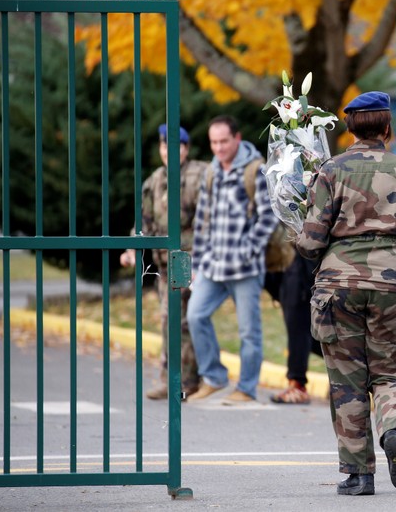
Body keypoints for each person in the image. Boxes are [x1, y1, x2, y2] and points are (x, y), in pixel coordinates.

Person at [296, 91, 396, 496]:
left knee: (347, 380)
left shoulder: (331, 171)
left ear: (350, 128)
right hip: (394, 282)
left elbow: (310, 240)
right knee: (391, 370)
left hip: (339, 284)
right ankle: (393, 429)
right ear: (387, 128)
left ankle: (359, 475)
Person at [186, 115, 278, 405]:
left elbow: (269, 216)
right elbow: (203, 220)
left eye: (224, 141)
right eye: (214, 142)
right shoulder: (211, 172)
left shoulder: (255, 170)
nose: (219, 147)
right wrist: (197, 263)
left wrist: (248, 249)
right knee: (195, 315)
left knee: (249, 332)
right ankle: (214, 376)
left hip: (245, 268)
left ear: (237, 138)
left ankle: (247, 388)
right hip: (213, 265)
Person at [120, 123, 207, 401]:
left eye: (174, 146)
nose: (168, 151)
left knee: (179, 320)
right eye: (163, 146)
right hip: (164, 265)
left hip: (188, 260)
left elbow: (208, 219)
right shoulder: (155, 180)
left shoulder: (199, 176)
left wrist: (200, 260)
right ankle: (175, 378)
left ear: (185, 149)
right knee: (171, 321)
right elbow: (143, 220)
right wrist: (132, 248)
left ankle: (184, 380)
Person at [270, 252, 323, 404]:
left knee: (300, 331)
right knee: (304, 333)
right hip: (290, 263)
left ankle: (297, 385)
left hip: (304, 266)